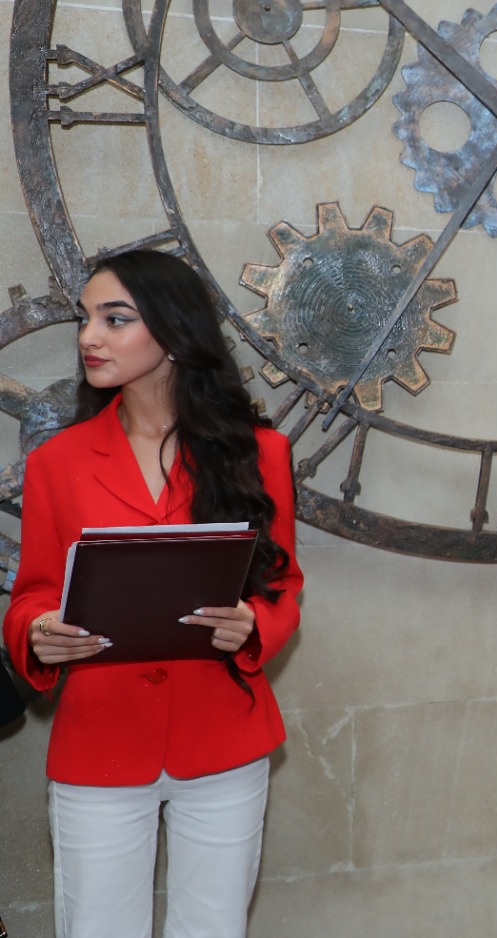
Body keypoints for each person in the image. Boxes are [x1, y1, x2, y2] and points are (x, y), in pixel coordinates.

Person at [2, 250, 303, 938]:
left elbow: (283, 585)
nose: (89, 337)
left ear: (173, 331)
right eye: (85, 319)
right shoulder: (56, 462)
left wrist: (253, 625)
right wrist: (39, 633)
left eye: (114, 319)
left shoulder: (260, 454)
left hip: (224, 739)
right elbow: (32, 597)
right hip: (99, 740)